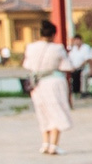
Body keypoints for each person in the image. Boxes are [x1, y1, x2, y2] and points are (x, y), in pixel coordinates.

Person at [24, 21, 73, 155]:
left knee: (42, 111)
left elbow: (27, 64)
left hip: (37, 83)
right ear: (53, 34)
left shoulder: (31, 47)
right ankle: (54, 145)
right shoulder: (57, 48)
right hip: (54, 80)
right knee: (56, 110)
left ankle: (45, 144)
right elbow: (67, 66)